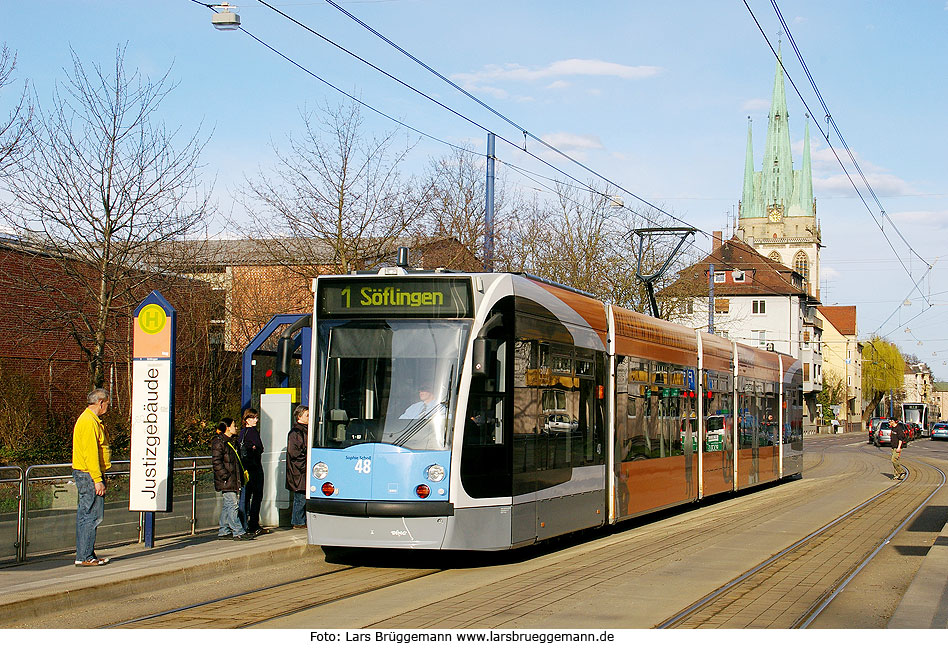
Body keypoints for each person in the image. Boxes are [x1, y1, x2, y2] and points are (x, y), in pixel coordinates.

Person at [72, 388, 112, 567]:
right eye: (107, 403)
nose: (108, 407)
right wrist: (97, 479)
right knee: (92, 515)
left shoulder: (89, 420)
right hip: (89, 474)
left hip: (86, 473)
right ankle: (85, 556)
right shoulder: (89, 422)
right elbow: (91, 453)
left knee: (86, 514)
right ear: (100, 402)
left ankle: (86, 553)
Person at [212, 417, 253, 540]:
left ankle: (224, 530)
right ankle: (238, 531)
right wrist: (225, 475)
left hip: (232, 478)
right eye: (234, 425)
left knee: (228, 505)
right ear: (227, 427)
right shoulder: (220, 442)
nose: (236, 428)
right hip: (227, 479)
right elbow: (216, 461)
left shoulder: (231, 442)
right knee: (233, 505)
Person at [237, 408, 268, 535]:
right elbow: (260, 448)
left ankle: (243, 523)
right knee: (257, 496)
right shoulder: (252, 432)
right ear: (246, 420)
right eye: (252, 417)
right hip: (254, 468)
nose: (255, 420)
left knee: (245, 497)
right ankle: (253, 524)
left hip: (245, 468)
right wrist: (256, 448)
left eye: (256, 417)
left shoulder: (242, 433)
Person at [286, 405, 310, 528]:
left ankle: (300, 520)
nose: (309, 417)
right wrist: (305, 465)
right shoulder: (296, 433)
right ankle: (297, 521)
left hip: (301, 469)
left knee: (302, 496)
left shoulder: (304, 431)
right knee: (300, 497)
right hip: (299, 471)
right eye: (307, 415)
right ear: (299, 417)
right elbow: (294, 453)